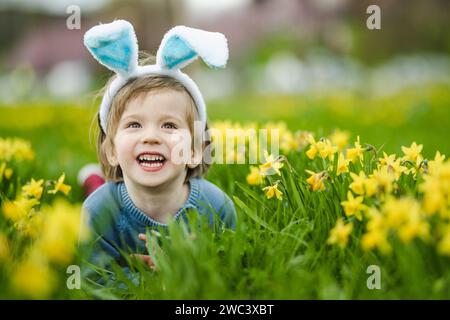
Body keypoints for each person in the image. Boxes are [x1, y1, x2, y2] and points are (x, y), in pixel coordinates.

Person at [80, 20, 236, 273]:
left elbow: (231, 269)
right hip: (105, 197)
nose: (151, 137)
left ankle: (93, 177)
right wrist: (143, 279)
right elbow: (94, 279)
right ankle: (92, 180)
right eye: (134, 125)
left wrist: (189, 267)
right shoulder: (98, 212)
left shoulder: (217, 208)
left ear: (196, 150)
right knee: (97, 191)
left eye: (169, 126)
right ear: (111, 150)